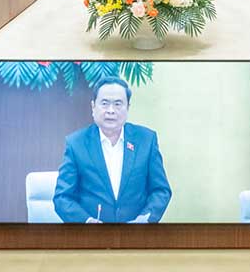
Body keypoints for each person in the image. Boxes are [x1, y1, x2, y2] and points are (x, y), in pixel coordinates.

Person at [53, 76, 171, 224]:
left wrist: (145, 219)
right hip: (92, 239)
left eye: (118, 104)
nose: (111, 111)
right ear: (93, 107)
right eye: (104, 103)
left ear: (128, 107)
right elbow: (62, 197)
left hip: (135, 238)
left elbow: (161, 191)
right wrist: (86, 221)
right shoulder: (76, 144)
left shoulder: (146, 140)